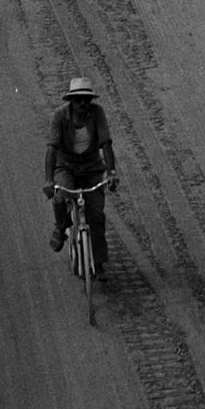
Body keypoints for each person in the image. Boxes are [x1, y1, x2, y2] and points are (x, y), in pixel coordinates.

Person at [47, 76, 119, 274]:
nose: (82, 104)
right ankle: (61, 227)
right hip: (65, 167)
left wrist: (111, 173)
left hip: (91, 168)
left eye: (86, 100)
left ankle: (98, 263)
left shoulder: (97, 113)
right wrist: (49, 180)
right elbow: (52, 149)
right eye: (78, 100)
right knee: (61, 197)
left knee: (96, 215)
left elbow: (106, 143)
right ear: (71, 100)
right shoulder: (59, 116)